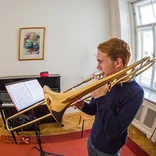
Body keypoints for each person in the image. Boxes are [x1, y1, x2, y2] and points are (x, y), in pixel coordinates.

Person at [73, 38, 144, 156]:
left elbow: (114, 131)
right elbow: (94, 110)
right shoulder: (105, 81)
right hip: (92, 139)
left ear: (117, 63)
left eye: (100, 61)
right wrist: (82, 105)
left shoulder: (136, 93)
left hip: (108, 150)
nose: (97, 66)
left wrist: (101, 98)